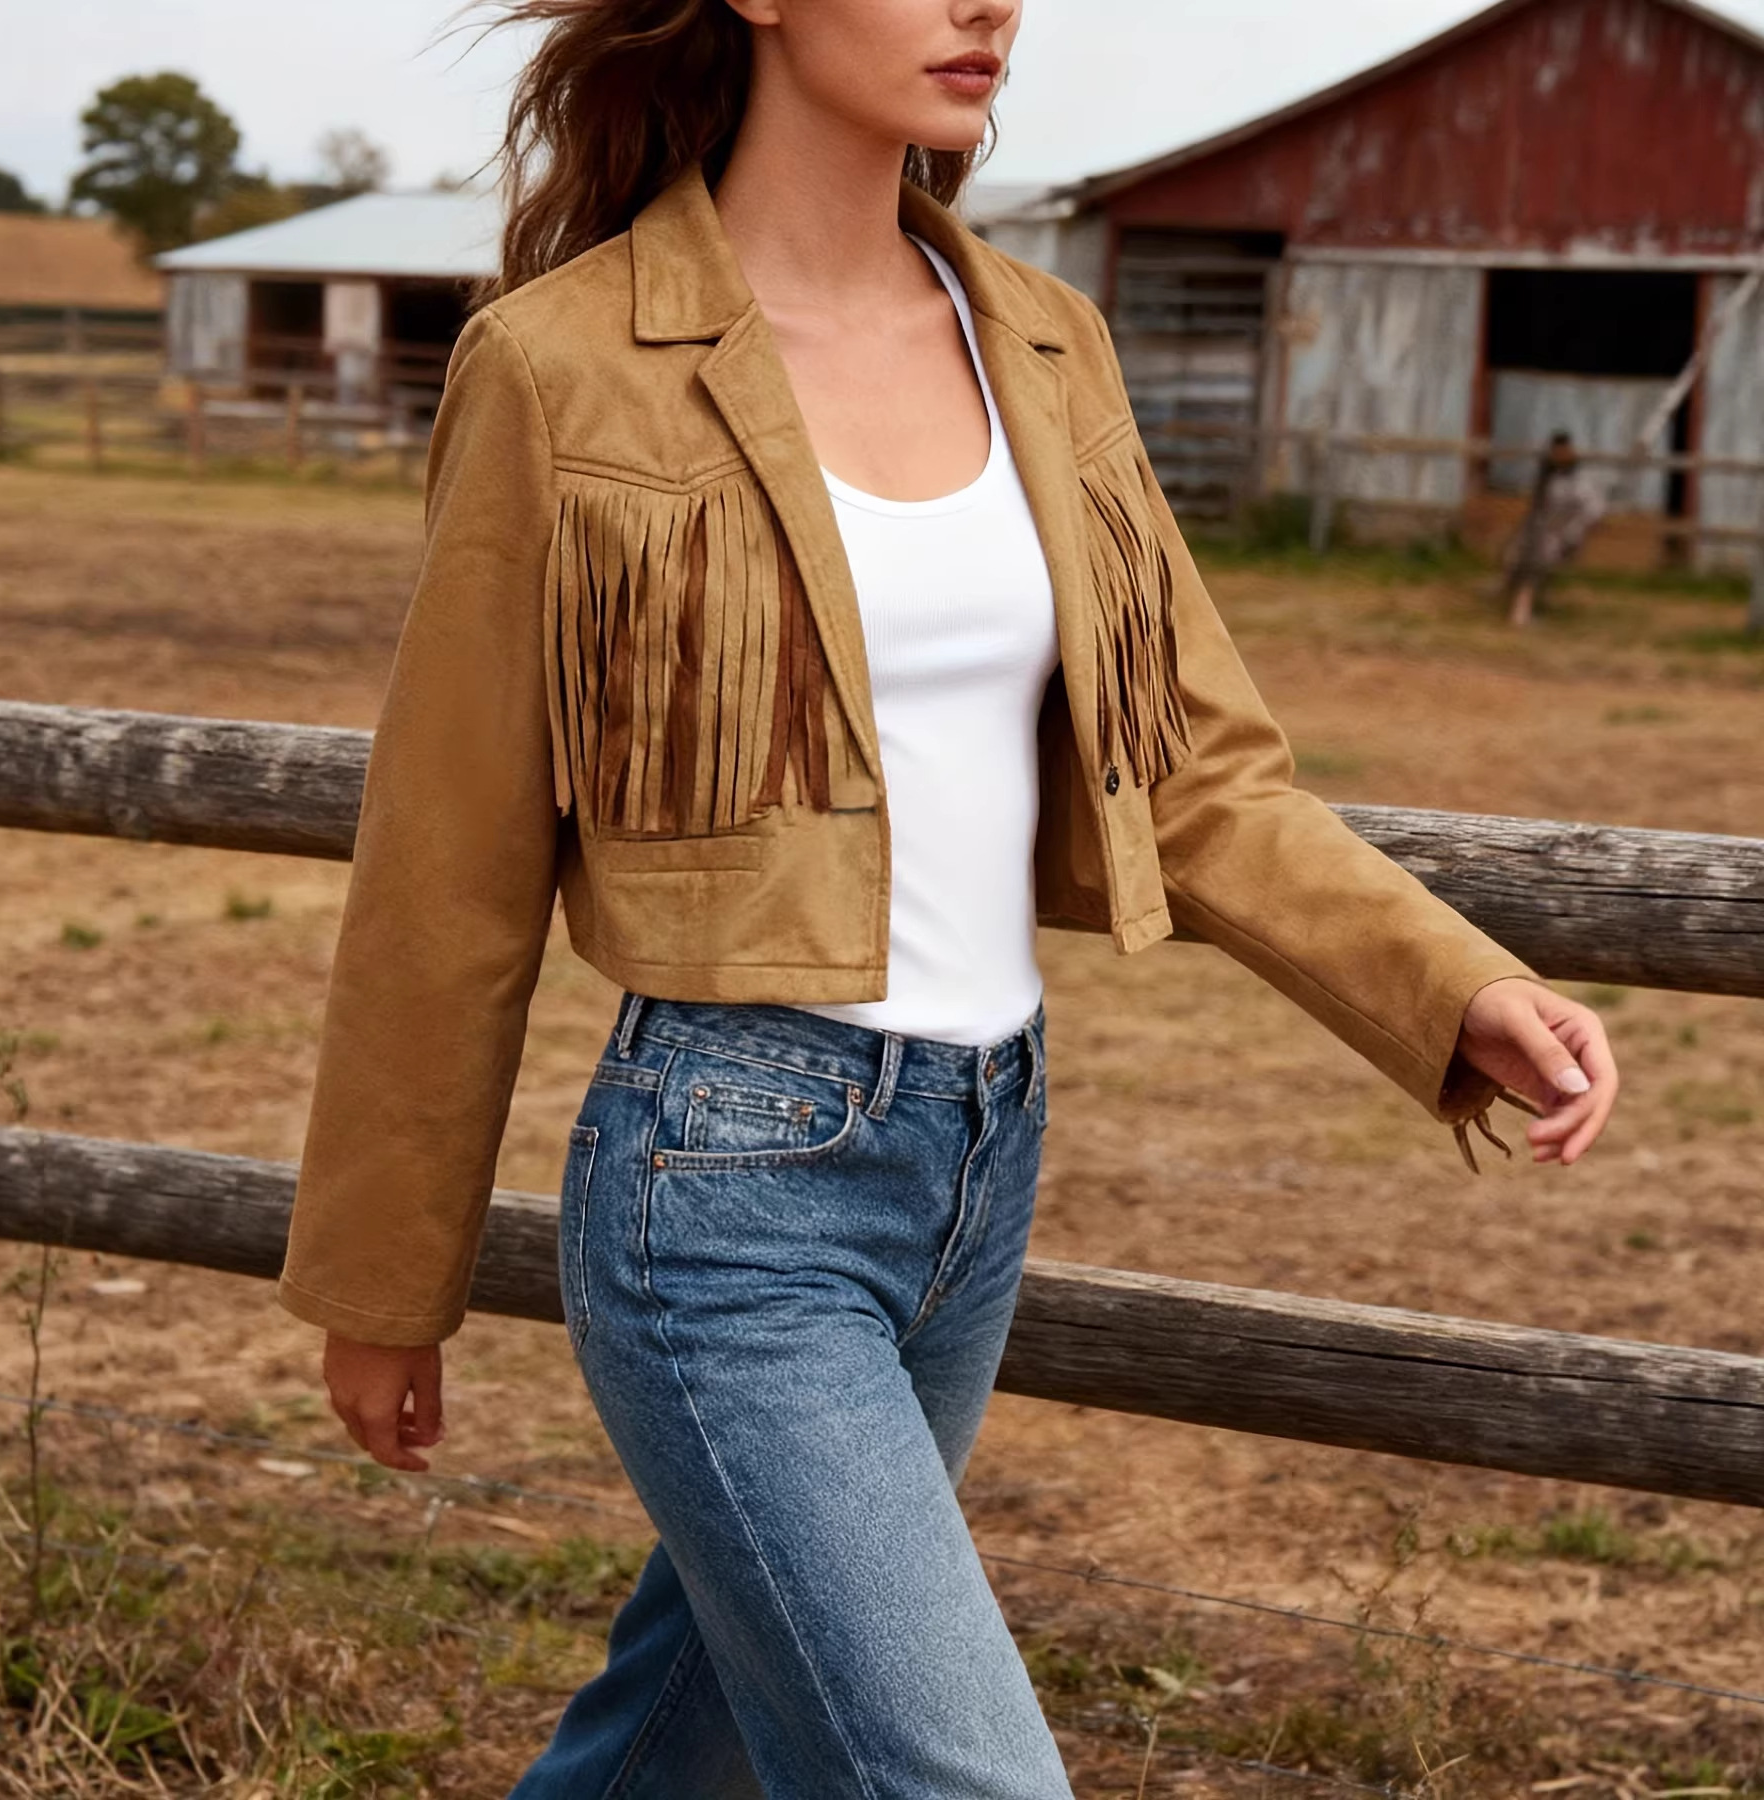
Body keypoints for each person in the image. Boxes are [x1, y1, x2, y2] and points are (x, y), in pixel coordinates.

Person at [273, 1, 1622, 1794]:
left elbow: (1198, 772)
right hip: (727, 1187)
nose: (989, 5)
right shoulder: (563, 364)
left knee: (682, 1749)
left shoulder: (1047, 342)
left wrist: (1454, 987)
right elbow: (448, 865)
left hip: (981, 1159)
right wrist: (384, 1277)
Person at [1502, 429, 1607, 627]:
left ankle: (1524, 608)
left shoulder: (1579, 479)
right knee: (1523, 563)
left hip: (1559, 532)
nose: (1560, 455)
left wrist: (1572, 531)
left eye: (1564, 451)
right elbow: (1540, 507)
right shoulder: (1547, 474)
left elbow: (1592, 508)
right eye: (1557, 451)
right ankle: (1520, 611)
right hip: (1541, 529)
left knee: (1537, 565)